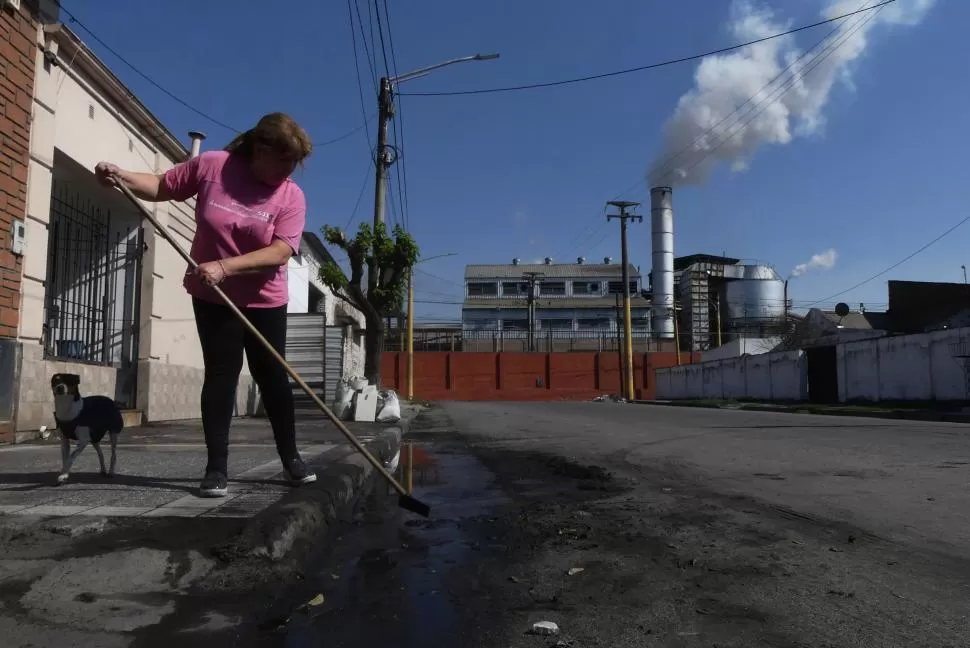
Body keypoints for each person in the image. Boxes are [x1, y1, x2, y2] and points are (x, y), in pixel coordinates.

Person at [95, 112, 316, 498]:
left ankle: (291, 459)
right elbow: (163, 185)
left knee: (273, 379)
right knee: (221, 376)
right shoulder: (214, 166)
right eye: (284, 161)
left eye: (293, 163)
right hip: (214, 296)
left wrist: (225, 266)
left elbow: (280, 251)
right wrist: (122, 176)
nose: (289, 171)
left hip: (264, 300)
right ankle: (216, 469)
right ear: (260, 152)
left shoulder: (291, 195)